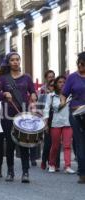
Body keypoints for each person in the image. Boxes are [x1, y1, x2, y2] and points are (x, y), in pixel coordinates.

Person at [0, 52, 37, 183]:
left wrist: (34, 95)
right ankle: (10, 171)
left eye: (17, 60)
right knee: (10, 145)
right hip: (7, 116)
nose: (16, 62)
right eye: (12, 60)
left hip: (23, 115)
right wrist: (4, 94)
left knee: (24, 144)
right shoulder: (3, 79)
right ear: (8, 62)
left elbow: (33, 92)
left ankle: (25, 172)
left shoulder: (27, 78)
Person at [61, 51, 85, 183]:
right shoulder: (72, 77)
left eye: (83, 64)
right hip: (76, 113)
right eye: (79, 63)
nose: (80, 66)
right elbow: (64, 94)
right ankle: (82, 173)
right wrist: (63, 102)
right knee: (81, 143)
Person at [43, 75, 75, 174]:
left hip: (68, 123)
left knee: (67, 145)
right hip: (56, 123)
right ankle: (52, 164)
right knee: (55, 145)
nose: (62, 84)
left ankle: (67, 166)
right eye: (59, 82)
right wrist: (46, 124)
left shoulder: (70, 95)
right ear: (56, 84)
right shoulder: (51, 96)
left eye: (64, 82)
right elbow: (46, 110)